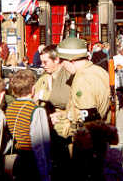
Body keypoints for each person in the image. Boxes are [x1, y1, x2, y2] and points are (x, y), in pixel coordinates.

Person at [50, 37, 116, 180]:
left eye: (63, 61)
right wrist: (65, 114)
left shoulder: (81, 79)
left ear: (71, 60)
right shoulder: (100, 71)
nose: (62, 66)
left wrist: (66, 125)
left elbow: (88, 118)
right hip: (101, 139)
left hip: (86, 144)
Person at [34, 45, 72, 181]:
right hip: (50, 130)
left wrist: (43, 94)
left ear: (56, 60)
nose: (42, 65)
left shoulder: (66, 75)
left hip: (64, 131)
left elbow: (65, 99)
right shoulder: (46, 77)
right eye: (41, 62)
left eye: (46, 62)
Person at [5, 69, 51, 181]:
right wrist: (45, 174)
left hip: (17, 159)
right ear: (33, 89)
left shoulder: (10, 108)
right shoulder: (36, 111)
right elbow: (41, 145)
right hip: (32, 163)